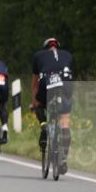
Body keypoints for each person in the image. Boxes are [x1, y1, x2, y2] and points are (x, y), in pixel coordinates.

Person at [31, 37, 75, 174]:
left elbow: (35, 84)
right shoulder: (68, 55)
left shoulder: (38, 56)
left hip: (47, 81)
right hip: (65, 83)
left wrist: (34, 103)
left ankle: (44, 124)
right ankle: (63, 160)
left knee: (39, 104)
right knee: (65, 122)